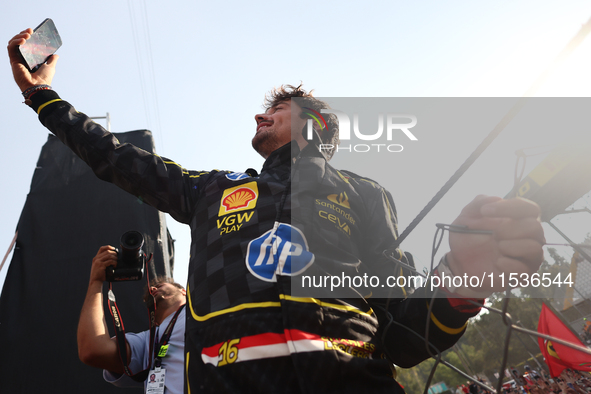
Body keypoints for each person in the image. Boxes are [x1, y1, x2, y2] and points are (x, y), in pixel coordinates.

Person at [8, 28, 545, 393]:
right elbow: (119, 160)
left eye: (277, 110)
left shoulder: (365, 194)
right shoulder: (212, 189)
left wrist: (460, 287)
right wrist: (43, 98)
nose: (260, 116)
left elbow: (405, 338)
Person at [77, 245, 186, 394]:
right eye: (150, 292)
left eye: (160, 285)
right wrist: (95, 281)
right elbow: (93, 350)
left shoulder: (204, 309)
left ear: (184, 291)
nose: (153, 289)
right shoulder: (148, 341)